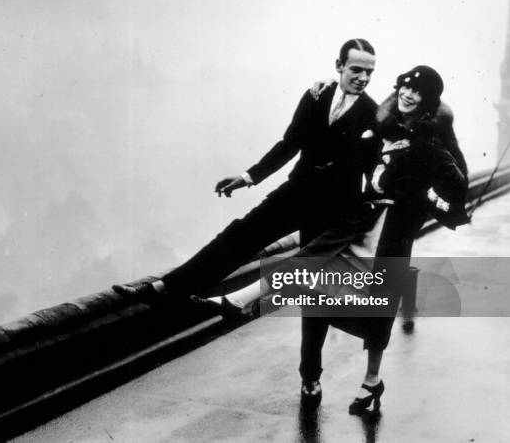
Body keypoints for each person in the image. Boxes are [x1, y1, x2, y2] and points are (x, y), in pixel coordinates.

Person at [113, 38, 379, 316]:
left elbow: (375, 166)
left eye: (369, 72)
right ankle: (163, 288)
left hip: (334, 206)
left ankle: (308, 358)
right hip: (299, 189)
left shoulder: (374, 114)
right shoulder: (316, 96)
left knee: (313, 289)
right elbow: (290, 143)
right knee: (240, 234)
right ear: (339, 66)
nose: (363, 78)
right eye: (356, 70)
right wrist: (249, 176)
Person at [295, 65, 469, 413]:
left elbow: (457, 189)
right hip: (357, 228)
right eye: (405, 86)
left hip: (392, 238)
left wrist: (426, 200)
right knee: (315, 292)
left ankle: (372, 380)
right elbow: (338, 134)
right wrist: (330, 87)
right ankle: (310, 375)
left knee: (378, 310)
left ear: (428, 103)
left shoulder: (430, 142)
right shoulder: (379, 125)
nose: (408, 94)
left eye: (418, 92)